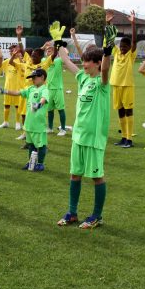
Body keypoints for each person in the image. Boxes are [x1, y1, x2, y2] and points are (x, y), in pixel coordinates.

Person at [56, 36, 111, 229]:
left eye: (88, 61)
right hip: (78, 136)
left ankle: (97, 216)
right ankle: (72, 213)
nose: (84, 64)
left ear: (97, 63)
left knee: (97, 177)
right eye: (84, 60)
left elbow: (105, 69)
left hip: (94, 139)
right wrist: (59, 42)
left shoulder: (102, 84)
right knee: (75, 175)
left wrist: (108, 50)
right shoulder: (82, 78)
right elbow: (66, 60)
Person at [4, 69, 50, 171]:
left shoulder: (44, 89)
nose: (33, 80)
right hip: (29, 123)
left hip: (38, 124)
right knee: (31, 144)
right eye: (32, 78)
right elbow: (17, 92)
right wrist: (4, 91)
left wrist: (38, 105)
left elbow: (44, 99)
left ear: (42, 77)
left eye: (34, 77)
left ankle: (40, 163)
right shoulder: (30, 89)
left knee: (41, 145)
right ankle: (31, 163)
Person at [108, 10, 138, 148]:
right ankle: (123, 137)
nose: (122, 49)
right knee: (119, 110)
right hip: (116, 85)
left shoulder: (130, 55)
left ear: (129, 48)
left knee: (128, 111)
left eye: (125, 47)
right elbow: (110, 39)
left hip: (127, 85)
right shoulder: (117, 53)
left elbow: (134, 41)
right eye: (121, 47)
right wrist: (108, 23)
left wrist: (133, 23)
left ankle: (129, 139)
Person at [0, 26, 25, 131]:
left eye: (13, 50)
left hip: (18, 88)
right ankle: (5, 122)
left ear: (17, 51)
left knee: (18, 106)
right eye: (10, 50)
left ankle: (18, 123)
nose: (11, 52)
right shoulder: (6, 62)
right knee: (7, 105)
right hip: (7, 87)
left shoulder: (20, 62)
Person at [45, 37, 68, 136]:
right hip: (48, 89)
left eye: (50, 50)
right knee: (49, 110)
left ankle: (63, 129)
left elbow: (66, 54)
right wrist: (45, 46)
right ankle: (50, 128)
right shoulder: (44, 60)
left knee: (60, 109)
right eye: (47, 51)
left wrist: (60, 47)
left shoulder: (58, 60)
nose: (48, 52)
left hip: (58, 89)